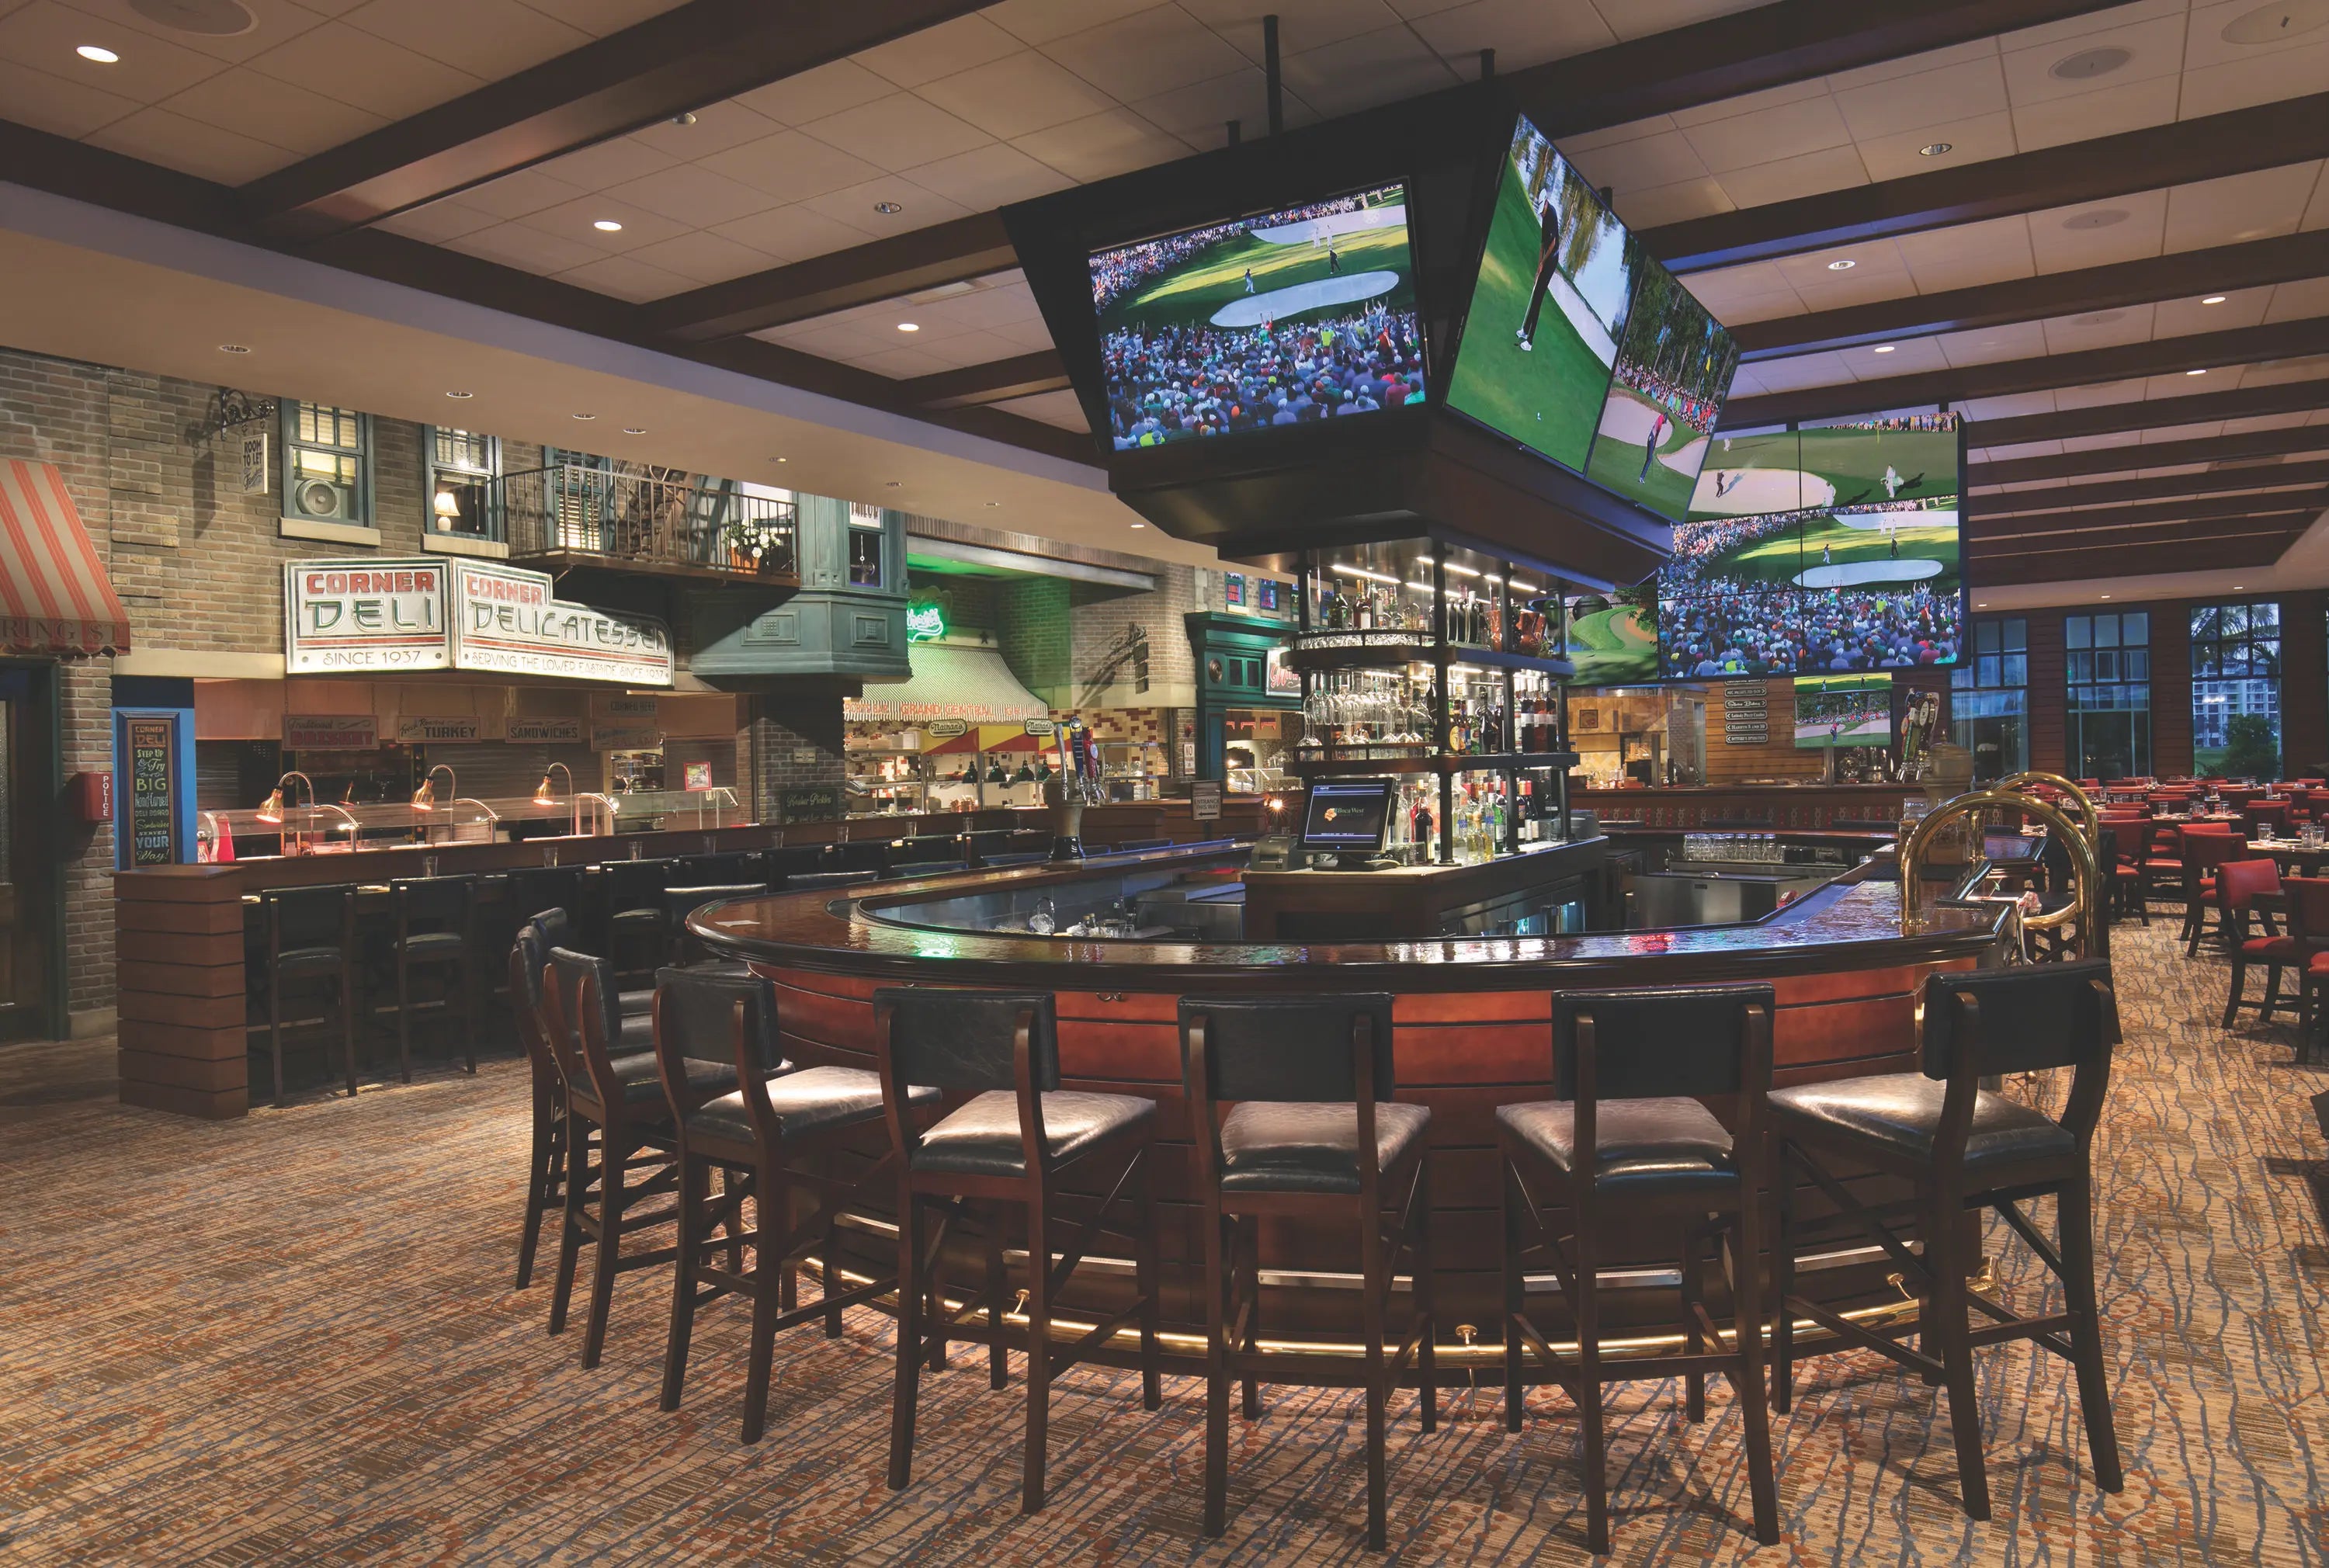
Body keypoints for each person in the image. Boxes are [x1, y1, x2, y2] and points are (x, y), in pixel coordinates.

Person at [1515, 191, 1564, 352]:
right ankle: (1525, 330)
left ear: (1546, 202)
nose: (1541, 214)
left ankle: (1529, 342)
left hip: (1553, 259)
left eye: (1542, 210)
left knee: (1538, 299)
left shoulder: (1552, 215)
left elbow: (1553, 244)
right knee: (1535, 293)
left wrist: (1543, 263)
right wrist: (1539, 265)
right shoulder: (1544, 216)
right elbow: (1543, 244)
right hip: (1546, 259)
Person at [1639, 408, 1668, 480]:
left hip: (1650, 437)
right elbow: (1656, 438)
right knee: (1650, 459)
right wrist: (1654, 448)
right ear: (1664, 419)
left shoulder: (1660, 417)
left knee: (1648, 459)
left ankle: (1641, 477)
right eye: (1665, 421)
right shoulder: (1660, 425)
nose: (1664, 423)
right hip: (1652, 439)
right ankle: (1642, 477)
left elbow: (1662, 415)